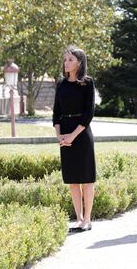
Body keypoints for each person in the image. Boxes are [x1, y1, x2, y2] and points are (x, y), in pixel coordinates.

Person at [53, 46, 96, 232]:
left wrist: (72, 135)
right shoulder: (61, 83)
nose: (66, 62)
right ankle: (78, 218)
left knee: (86, 179)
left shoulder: (88, 83)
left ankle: (87, 219)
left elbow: (89, 113)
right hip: (65, 135)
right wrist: (60, 136)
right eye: (65, 59)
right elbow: (56, 112)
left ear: (79, 62)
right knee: (72, 180)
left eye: (70, 59)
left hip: (81, 134)